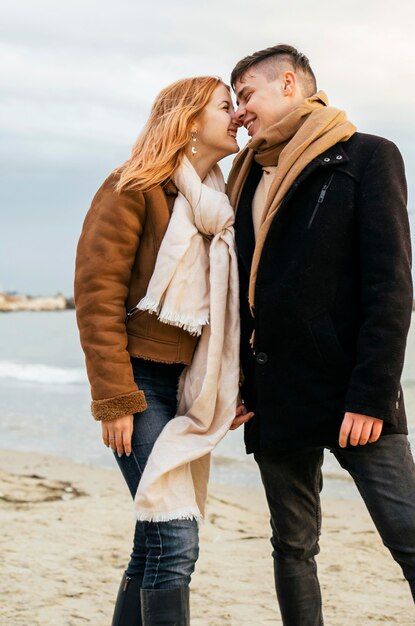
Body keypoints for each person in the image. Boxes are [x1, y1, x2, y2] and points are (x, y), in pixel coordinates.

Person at [227, 44, 415, 626]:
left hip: (350, 393)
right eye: (234, 103)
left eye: (247, 97)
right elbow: (240, 292)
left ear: (289, 84)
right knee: (292, 546)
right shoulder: (244, 177)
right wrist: (239, 381)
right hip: (274, 393)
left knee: (414, 540)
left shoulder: (367, 157)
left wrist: (370, 395)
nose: (240, 114)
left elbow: (390, 284)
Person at [74, 76, 252, 626]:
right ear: (191, 120)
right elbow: (96, 297)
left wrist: (229, 392)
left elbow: (229, 315)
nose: (239, 116)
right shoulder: (131, 188)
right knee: (175, 537)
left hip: (188, 388)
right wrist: (116, 399)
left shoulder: (220, 206)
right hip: (141, 385)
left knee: (151, 542)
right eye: (227, 106)